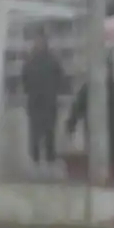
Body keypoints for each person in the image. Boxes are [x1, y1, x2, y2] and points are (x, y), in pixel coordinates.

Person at [21, 32, 66, 173]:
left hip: (46, 102)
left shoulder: (48, 61)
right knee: (37, 132)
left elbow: (60, 79)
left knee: (48, 132)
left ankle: (47, 159)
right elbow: (25, 81)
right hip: (39, 102)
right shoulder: (33, 61)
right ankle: (37, 159)